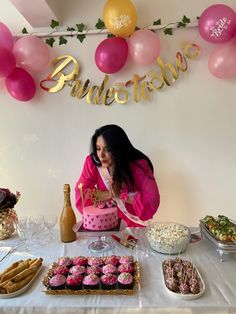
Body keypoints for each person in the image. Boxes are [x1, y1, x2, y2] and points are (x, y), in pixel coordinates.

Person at [75, 124, 160, 227]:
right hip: (105, 224)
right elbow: (81, 193)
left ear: (118, 148)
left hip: (132, 226)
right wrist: (107, 194)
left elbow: (152, 201)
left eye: (107, 149)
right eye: (98, 148)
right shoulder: (92, 163)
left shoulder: (138, 165)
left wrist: (121, 195)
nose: (101, 155)